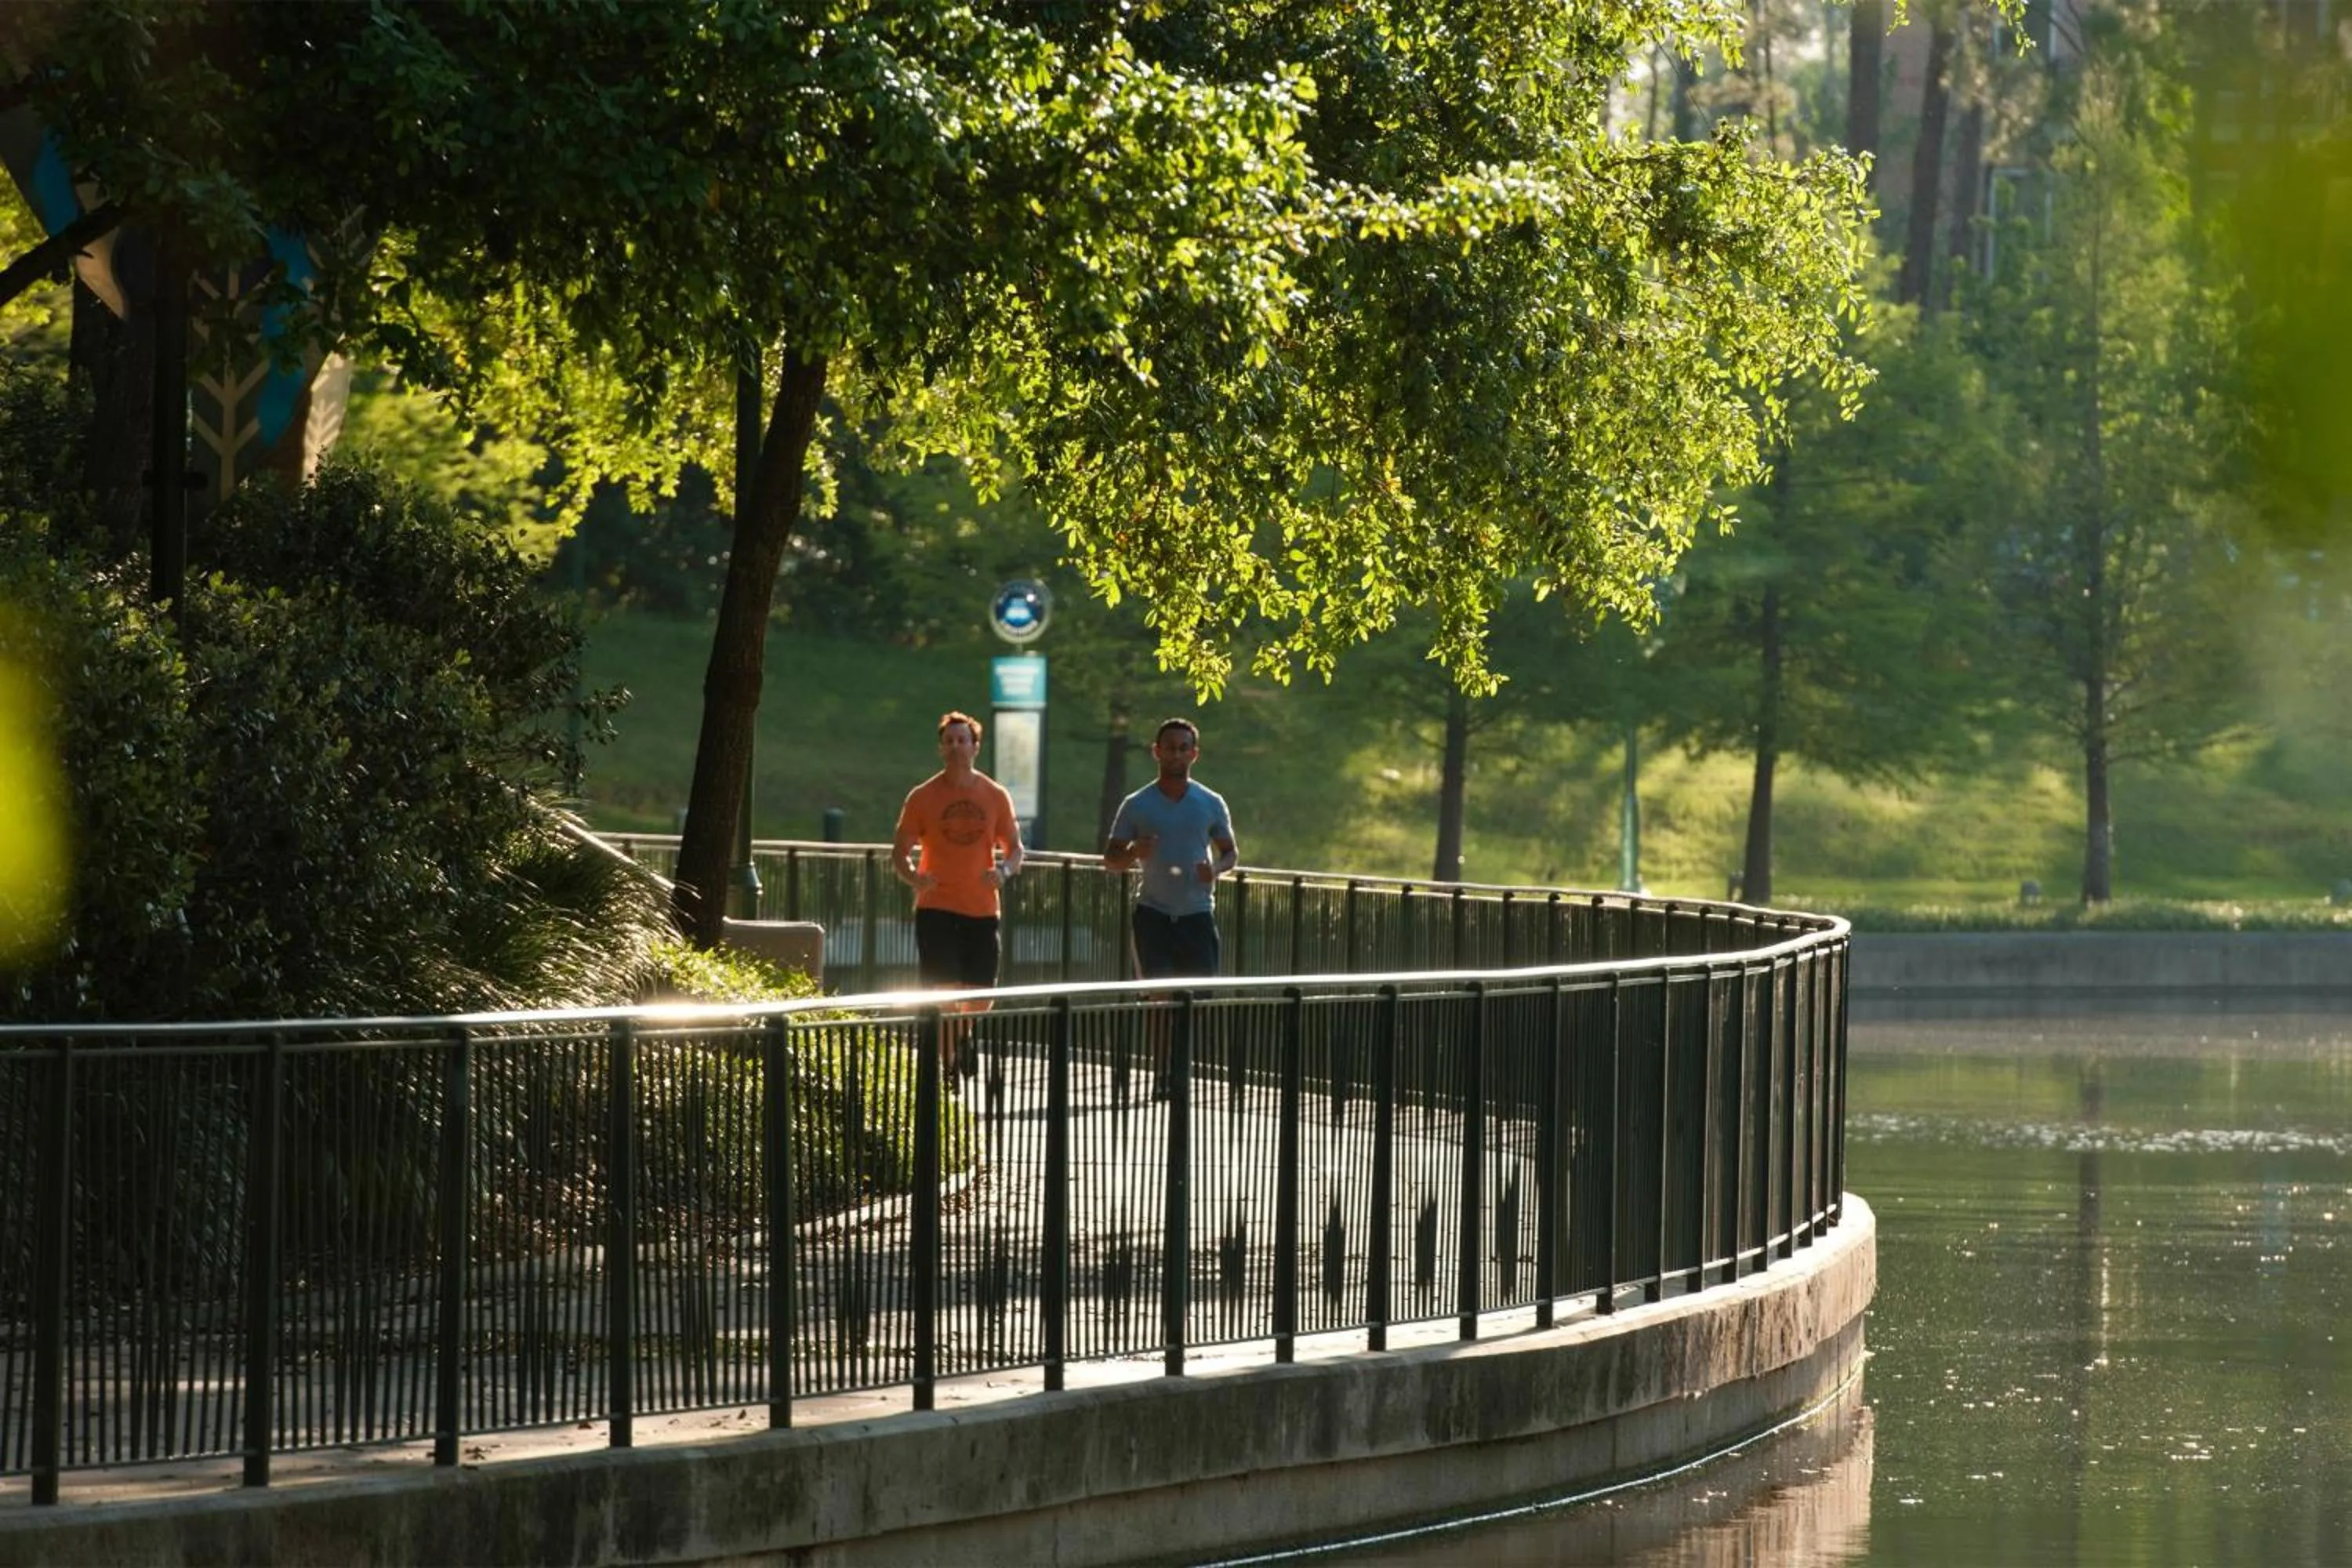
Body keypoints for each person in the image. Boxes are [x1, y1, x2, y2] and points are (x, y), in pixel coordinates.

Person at [1103, 717, 1239, 1096]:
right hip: (1154, 914)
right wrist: (1133, 853)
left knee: (1193, 997)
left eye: (1184, 748)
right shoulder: (1137, 804)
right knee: (1159, 997)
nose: (1176, 754)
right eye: (1170, 747)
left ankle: (1182, 1067)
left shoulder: (1210, 803)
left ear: (1194, 754)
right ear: (1156, 751)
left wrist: (1214, 870)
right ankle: (1163, 1073)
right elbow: (1111, 859)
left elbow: (1230, 853)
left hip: (1197, 913)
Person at [891, 710, 1025, 1082]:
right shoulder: (922, 797)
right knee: (946, 991)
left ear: (975, 747)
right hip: (936, 907)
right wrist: (914, 877)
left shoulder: (995, 795)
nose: (955, 747)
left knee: (980, 995)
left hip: (981, 908)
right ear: (941, 748)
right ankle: (947, 1066)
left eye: (962, 740)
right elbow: (899, 851)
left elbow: (1015, 848)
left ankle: (962, 1037)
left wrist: (1004, 871)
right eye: (949, 741)